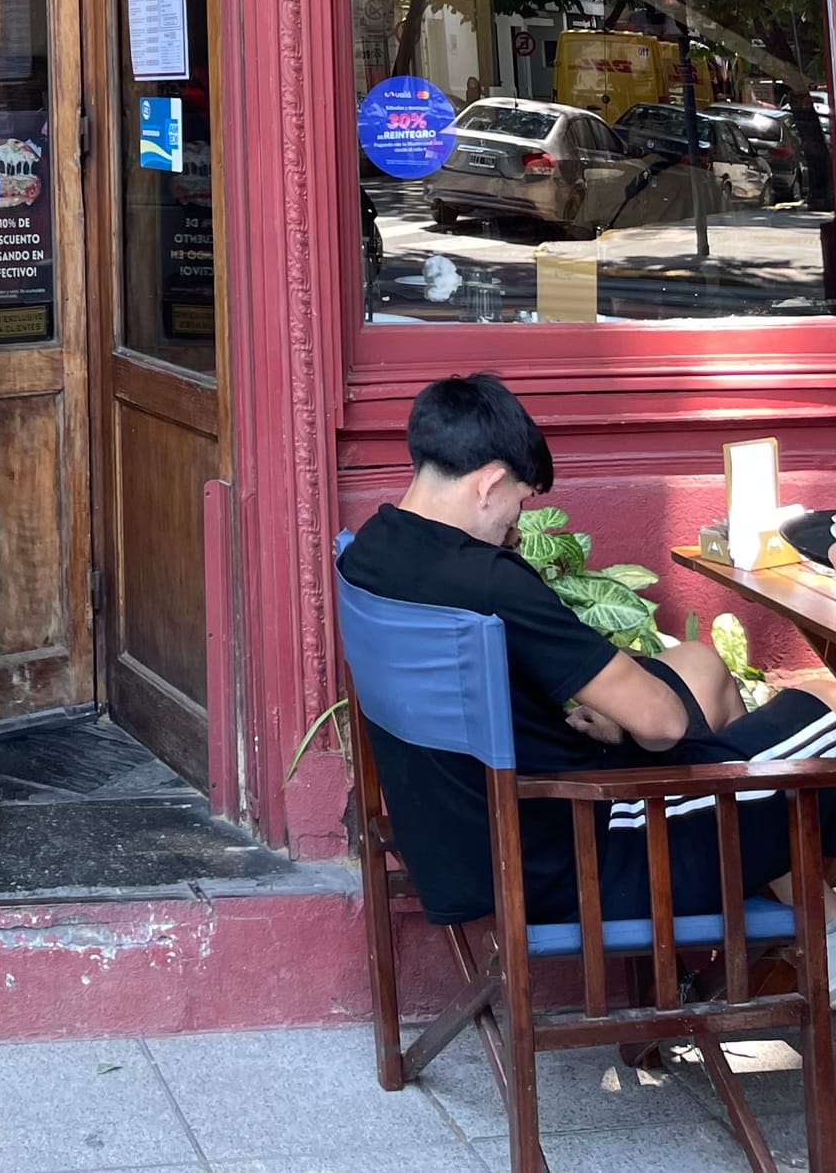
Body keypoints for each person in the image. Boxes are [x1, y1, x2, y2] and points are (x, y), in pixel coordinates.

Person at [339, 373, 836, 930]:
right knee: (824, 707)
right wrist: (630, 726)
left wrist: (608, 718)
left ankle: (813, 915)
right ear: (488, 484)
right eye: (519, 502)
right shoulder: (486, 581)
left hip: (462, 845)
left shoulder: (367, 554)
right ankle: (822, 930)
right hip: (592, 852)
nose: (515, 523)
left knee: (700, 665)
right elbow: (663, 726)